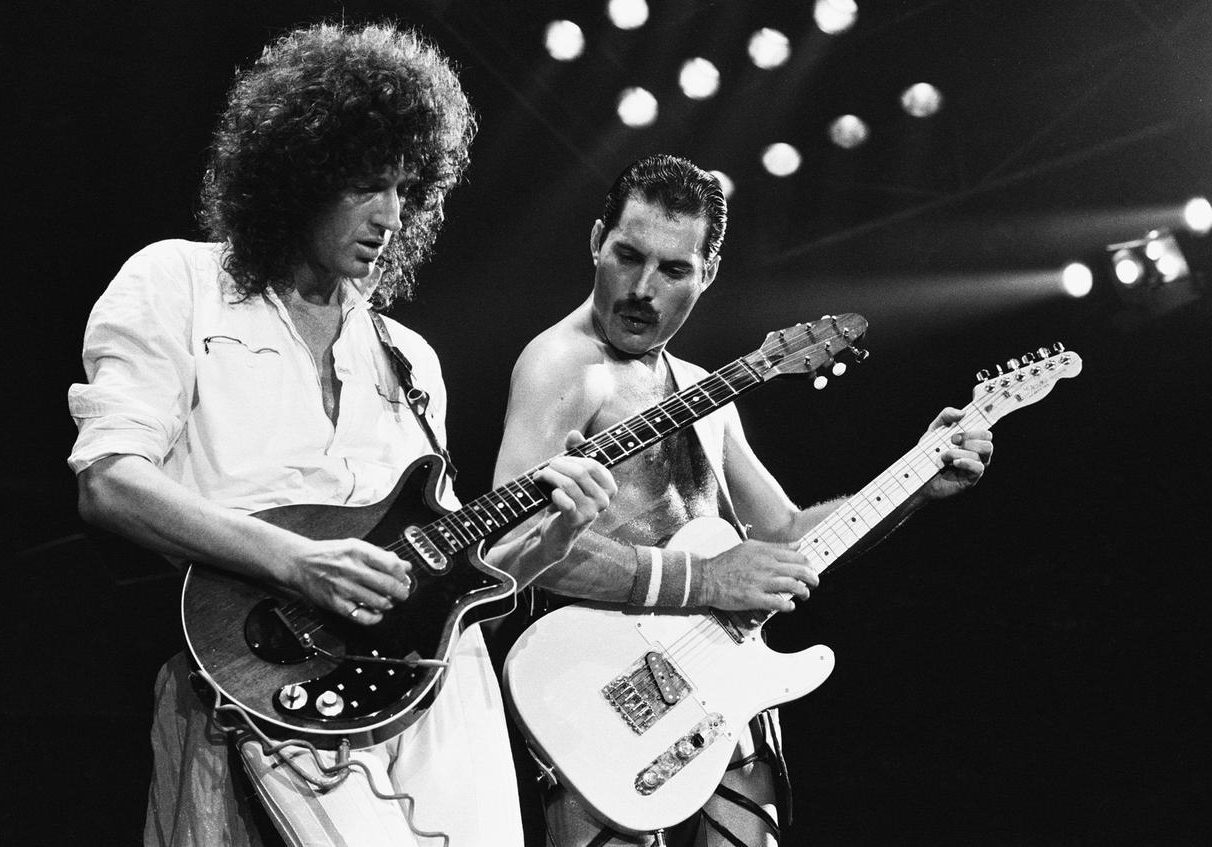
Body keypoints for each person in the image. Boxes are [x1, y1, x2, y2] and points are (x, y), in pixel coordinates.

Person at [67, 21, 615, 847]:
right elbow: (109, 481)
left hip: (432, 704)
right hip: (261, 686)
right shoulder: (176, 283)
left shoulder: (409, 357)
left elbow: (453, 589)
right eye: (366, 185)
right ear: (298, 173)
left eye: (405, 189)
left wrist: (553, 536)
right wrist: (297, 561)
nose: (392, 215)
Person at [492, 153, 995, 846]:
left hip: (718, 692)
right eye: (628, 256)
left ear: (709, 273)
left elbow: (785, 535)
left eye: (674, 269)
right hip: (594, 698)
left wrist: (916, 482)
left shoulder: (704, 389)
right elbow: (510, 546)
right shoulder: (562, 364)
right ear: (596, 241)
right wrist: (706, 579)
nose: (642, 289)